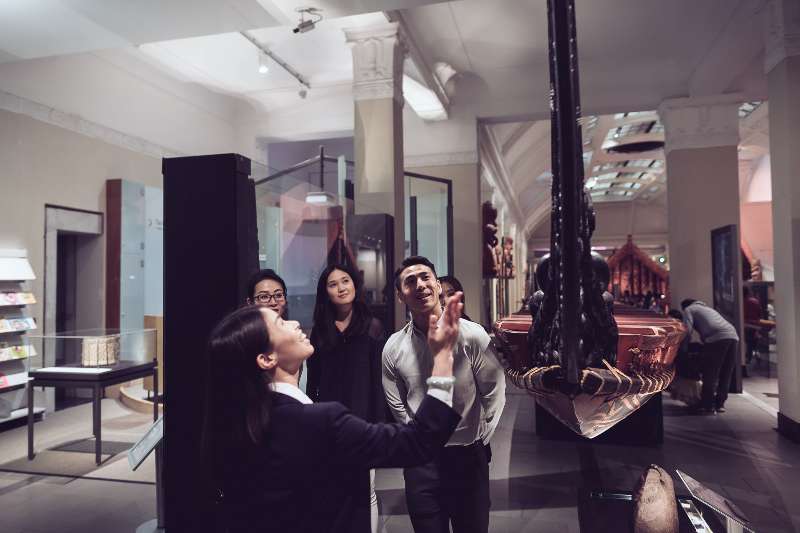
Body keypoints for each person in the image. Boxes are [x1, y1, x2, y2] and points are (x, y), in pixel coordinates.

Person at [203, 294, 465, 533]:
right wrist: (442, 358)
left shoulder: (240, 424)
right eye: (281, 323)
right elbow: (416, 442)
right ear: (267, 359)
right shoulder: (319, 422)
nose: (294, 323)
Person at [383, 255, 506, 533]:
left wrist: (479, 438)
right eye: (410, 281)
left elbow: (494, 391)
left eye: (425, 277)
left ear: (438, 286)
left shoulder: (473, 335)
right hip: (421, 461)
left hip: (467, 456)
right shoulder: (393, 346)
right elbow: (396, 402)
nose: (419, 285)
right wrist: (418, 439)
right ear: (401, 295)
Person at [307, 263, 387, 532]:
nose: (341, 288)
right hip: (328, 420)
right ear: (325, 292)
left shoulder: (372, 327)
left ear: (355, 284)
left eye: (345, 281)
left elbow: (378, 381)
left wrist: (378, 425)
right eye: (333, 284)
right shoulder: (320, 330)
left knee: (367, 487)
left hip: (363, 419)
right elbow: (313, 382)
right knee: (334, 485)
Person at [681, 299, 740, 414]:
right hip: (733, 336)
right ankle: (720, 404)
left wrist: (683, 349)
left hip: (717, 338)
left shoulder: (689, 309)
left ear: (684, 307)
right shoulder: (708, 309)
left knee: (710, 372)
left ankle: (706, 405)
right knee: (726, 373)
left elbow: (687, 331)